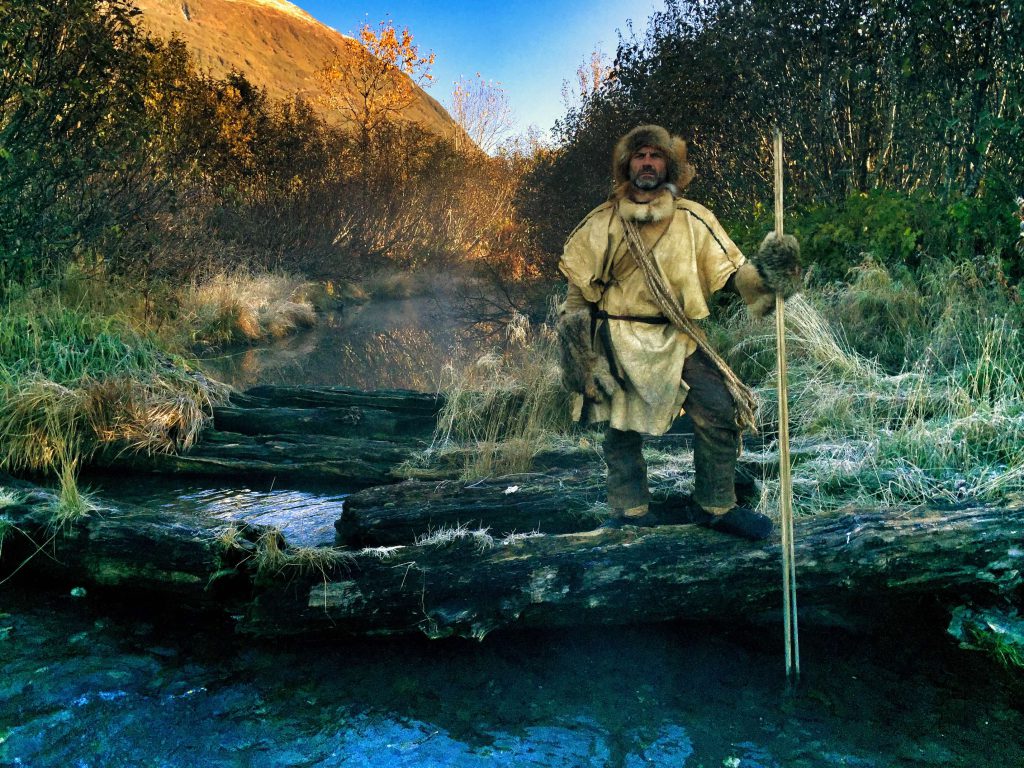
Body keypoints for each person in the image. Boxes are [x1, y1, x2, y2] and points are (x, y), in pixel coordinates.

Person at [557, 125, 801, 539]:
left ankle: (715, 504)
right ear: (626, 165)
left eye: (655, 155)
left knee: (721, 406)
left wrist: (769, 273)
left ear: (669, 165)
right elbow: (577, 295)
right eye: (639, 156)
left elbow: (734, 274)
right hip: (615, 338)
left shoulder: (694, 219)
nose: (647, 162)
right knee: (620, 426)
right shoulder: (601, 223)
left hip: (674, 336)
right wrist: (580, 355)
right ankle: (628, 510)